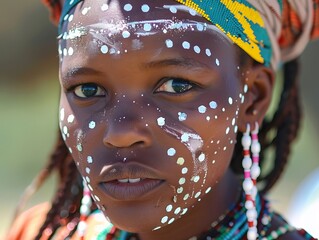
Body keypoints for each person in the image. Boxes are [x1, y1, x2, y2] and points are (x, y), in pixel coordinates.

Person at [6, 0, 319, 239]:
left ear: (253, 97)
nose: (121, 133)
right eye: (88, 89)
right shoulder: (40, 232)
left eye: (176, 86)